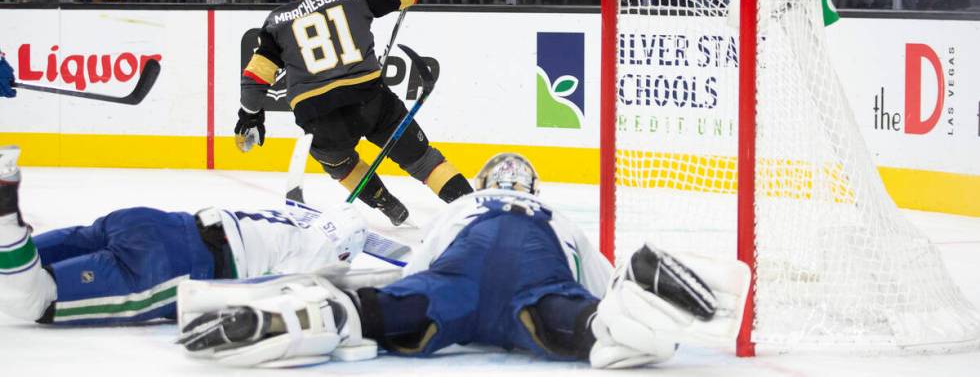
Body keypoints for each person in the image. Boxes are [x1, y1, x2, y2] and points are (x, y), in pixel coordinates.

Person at [176, 152, 752, 369]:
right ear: (533, 184)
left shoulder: (468, 204)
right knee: (592, 329)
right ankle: (632, 307)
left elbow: (419, 265)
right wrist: (610, 306)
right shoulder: (553, 212)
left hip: (462, 269)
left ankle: (315, 317)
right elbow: (594, 277)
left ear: (482, 183)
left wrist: (373, 295)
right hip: (536, 266)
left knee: (377, 312)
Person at [235, 0, 473, 227]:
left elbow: (254, 80)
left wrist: (250, 116)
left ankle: (385, 203)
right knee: (424, 161)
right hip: (372, 101)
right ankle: (474, 209)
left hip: (320, 118)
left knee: (340, 163)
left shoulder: (278, 20)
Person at [0, 145, 369, 325]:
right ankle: (4, 210)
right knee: (35, 299)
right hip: (169, 267)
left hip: (148, 222)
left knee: (17, 260)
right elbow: (274, 295)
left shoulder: (289, 219)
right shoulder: (321, 253)